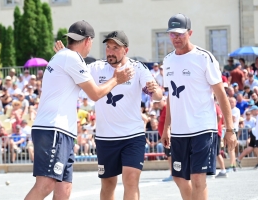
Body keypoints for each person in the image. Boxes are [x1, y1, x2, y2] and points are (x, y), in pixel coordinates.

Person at [25, 20, 134, 200]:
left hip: (60, 130)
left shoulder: (65, 57)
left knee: (64, 188)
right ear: (88, 41)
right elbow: (95, 93)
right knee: (46, 184)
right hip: (53, 128)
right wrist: (117, 79)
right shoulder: (71, 58)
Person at [54, 30, 162, 200]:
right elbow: (73, 71)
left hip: (132, 135)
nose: (110, 51)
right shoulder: (96, 68)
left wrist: (155, 92)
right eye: (108, 47)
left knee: (131, 179)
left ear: (125, 50)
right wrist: (64, 55)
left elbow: (157, 95)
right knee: (108, 184)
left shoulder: (137, 68)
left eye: (115, 48)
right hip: (106, 138)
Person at [161, 13, 236, 200]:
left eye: (180, 33)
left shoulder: (204, 57)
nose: (176, 38)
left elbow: (221, 95)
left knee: (197, 178)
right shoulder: (168, 60)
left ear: (190, 32)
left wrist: (230, 129)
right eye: (172, 34)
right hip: (179, 131)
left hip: (203, 128)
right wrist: (166, 127)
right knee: (178, 177)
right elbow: (171, 95)